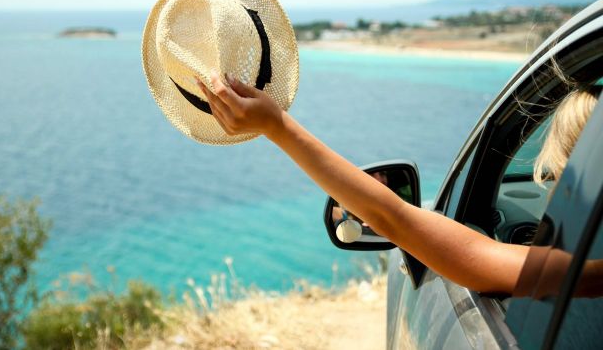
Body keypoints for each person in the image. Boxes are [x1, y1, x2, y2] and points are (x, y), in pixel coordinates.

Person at [196, 73, 599, 295]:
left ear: (587, 184)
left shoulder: (587, 274)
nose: (549, 190)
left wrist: (276, 126)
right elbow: (391, 216)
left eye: (557, 179)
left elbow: (394, 218)